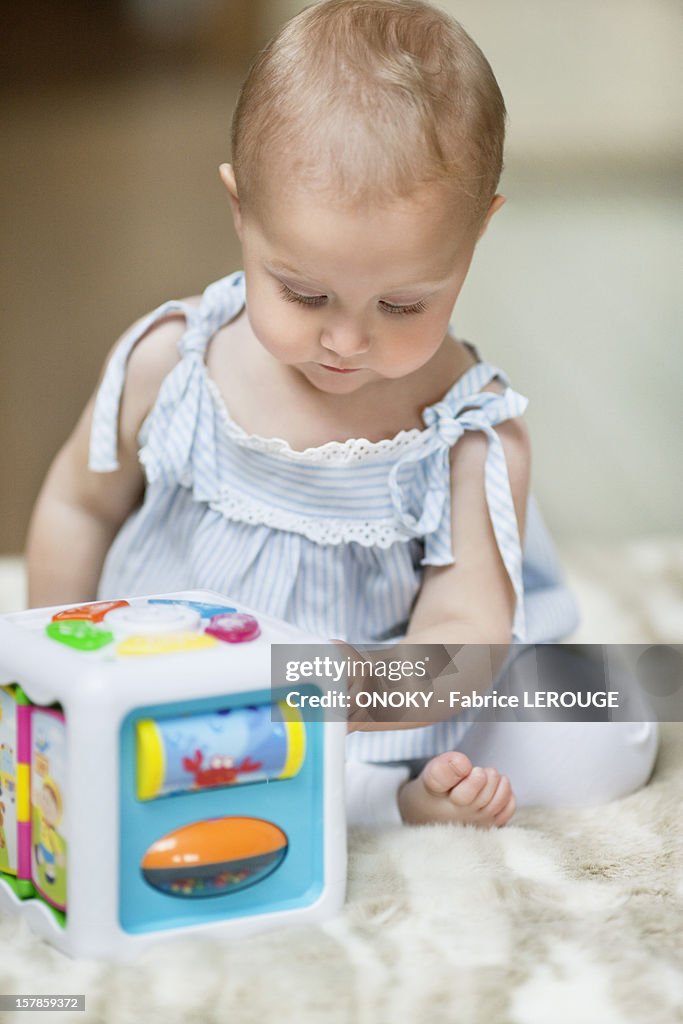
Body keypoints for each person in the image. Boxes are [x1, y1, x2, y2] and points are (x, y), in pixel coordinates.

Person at [26, 0, 658, 828]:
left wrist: (350, 686)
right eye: (304, 292)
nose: (348, 340)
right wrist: (47, 676)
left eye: (402, 303)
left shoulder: (470, 433)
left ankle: (389, 799)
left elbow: (463, 634)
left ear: (474, 238)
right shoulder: (169, 362)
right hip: (167, 685)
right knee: (148, 756)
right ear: (240, 211)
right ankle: (332, 800)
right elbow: (80, 504)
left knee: (613, 721)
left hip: (366, 708)